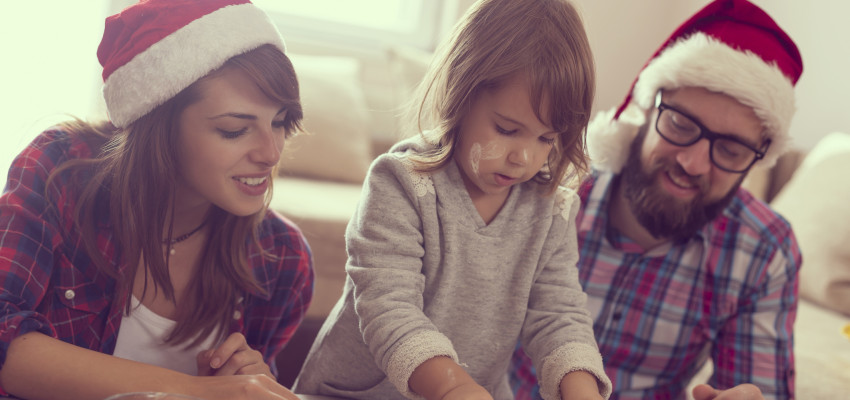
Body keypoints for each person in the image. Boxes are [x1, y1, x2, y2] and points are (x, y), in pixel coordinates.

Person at [292, 0, 611, 399]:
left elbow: (559, 315)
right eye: (507, 129)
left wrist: (582, 390)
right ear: (461, 93)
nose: (523, 157)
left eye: (546, 139)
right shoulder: (400, 183)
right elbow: (389, 307)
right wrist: (453, 387)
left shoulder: (551, 210)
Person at [0, 1, 313, 399]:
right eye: (235, 130)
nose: (271, 153)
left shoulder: (281, 258)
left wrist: (246, 381)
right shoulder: (60, 171)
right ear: (159, 126)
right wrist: (192, 391)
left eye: (281, 123)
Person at [510, 0, 804, 399]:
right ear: (646, 108)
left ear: (756, 159)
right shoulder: (545, 184)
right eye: (680, 125)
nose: (693, 162)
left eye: (732, 150)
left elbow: (759, 388)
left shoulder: (764, 249)